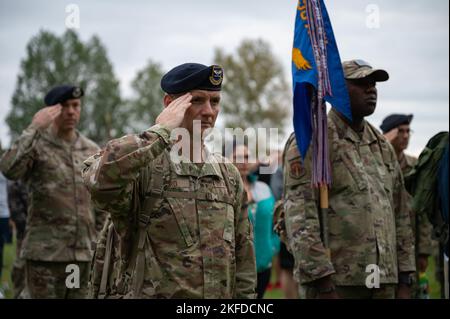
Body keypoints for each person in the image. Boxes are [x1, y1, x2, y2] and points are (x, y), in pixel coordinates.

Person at [82, 63, 257, 299]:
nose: (209, 111)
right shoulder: (143, 166)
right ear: (169, 104)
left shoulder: (228, 175)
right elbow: (98, 180)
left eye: (215, 102)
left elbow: (243, 257)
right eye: (197, 100)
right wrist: (160, 131)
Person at [283, 59, 416, 299]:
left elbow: (401, 213)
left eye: (373, 83)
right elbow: (300, 217)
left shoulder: (381, 144)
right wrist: (322, 281)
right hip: (338, 283)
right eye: (361, 83)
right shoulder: (314, 140)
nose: (371, 89)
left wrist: (405, 276)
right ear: (336, 89)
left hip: (384, 280)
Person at [0, 85, 102, 299]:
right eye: (64, 106)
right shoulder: (37, 145)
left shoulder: (91, 149)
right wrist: (35, 127)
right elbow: (9, 169)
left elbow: (101, 199)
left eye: (76, 106)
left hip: (81, 256)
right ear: (51, 111)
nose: (71, 111)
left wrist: (98, 241)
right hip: (45, 256)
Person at [381, 114, 434, 298]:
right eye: (400, 132)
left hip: (410, 243)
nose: (405, 136)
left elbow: (424, 210)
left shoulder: (414, 165)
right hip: (383, 242)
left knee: (411, 290)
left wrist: (424, 250)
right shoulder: (378, 163)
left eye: (407, 131)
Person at [230, 143, 279, 299]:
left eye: (246, 156)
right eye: (237, 157)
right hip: (236, 267)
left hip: (264, 264)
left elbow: (274, 220)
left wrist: (273, 245)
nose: (243, 161)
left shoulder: (263, 188)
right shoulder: (224, 190)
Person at [7, 179, 28, 298]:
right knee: (20, 271)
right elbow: (15, 210)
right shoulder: (16, 181)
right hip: (25, 235)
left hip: (46, 236)